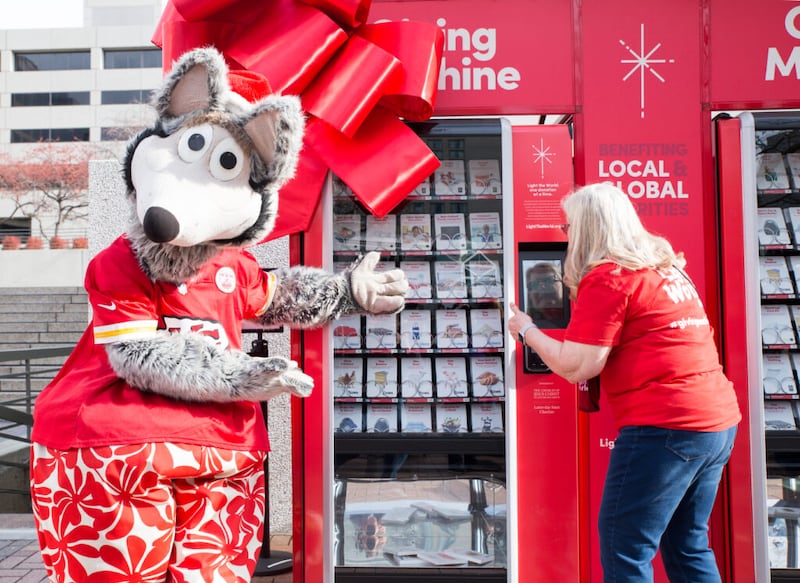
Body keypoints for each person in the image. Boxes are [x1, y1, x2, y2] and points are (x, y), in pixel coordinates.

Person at [507, 182, 741, 582]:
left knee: (624, 547)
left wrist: (526, 329)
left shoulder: (610, 276)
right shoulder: (666, 268)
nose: (567, 236)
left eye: (568, 228)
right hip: (715, 423)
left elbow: (578, 365)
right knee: (688, 544)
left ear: (589, 228)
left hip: (666, 427)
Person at [524, 261, 565, 327]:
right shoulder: (522, 325)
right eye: (535, 284)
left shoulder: (580, 317)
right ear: (529, 294)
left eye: (549, 280)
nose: (542, 287)